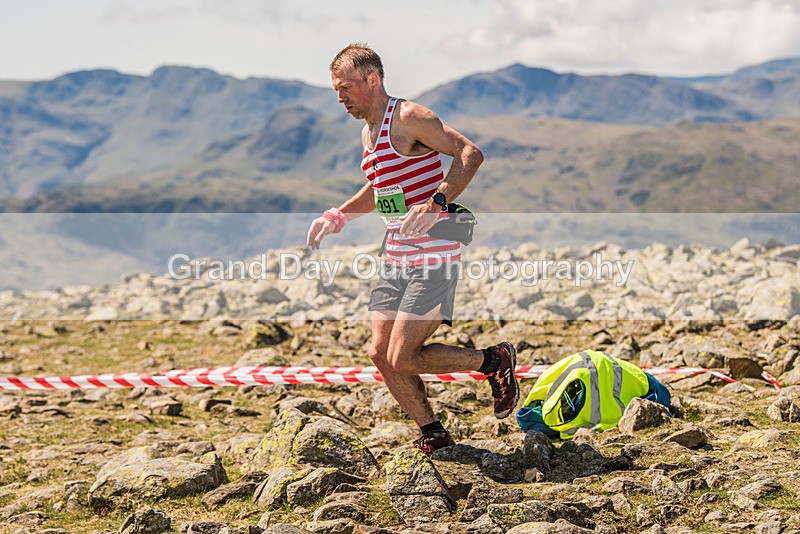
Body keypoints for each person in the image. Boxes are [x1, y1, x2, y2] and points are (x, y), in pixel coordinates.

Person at [306, 43, 518, 456]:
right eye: (335, 90)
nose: (340, 98)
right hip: (396, 255)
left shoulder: (408, 117)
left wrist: (437, 202)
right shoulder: (367, 133)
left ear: (373, 80)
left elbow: (469, 154)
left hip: (435, 252)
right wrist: (339, 216)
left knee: (403, 356)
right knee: (380, 354)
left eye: (346, 87)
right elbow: (382, 188)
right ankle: (433, 432)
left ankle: (493, 362)